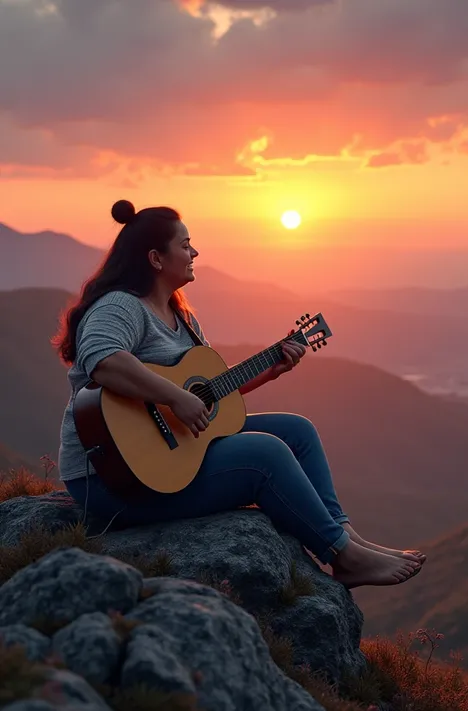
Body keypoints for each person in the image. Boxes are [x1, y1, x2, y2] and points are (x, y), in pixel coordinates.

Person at [52, 200, 426, 589]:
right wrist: (177, 398)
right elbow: (103, 360)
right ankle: (343, 556)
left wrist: (268, 371)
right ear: (155, 258)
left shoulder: (182, 318)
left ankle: (350, 541)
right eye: (185, 245)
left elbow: (208, 394)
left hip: (169, 456)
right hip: (114, 478)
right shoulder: (121, 306)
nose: (195, 253)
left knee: (297, 431)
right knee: (265, 453)